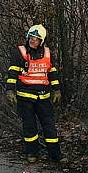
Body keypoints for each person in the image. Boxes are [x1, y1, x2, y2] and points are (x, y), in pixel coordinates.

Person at [4, 24, 64, 163]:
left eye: (36, 38)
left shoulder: (48, 53)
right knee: (30, 127)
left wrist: (56, 90)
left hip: (43, 97)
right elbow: (12, 72)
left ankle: (55, 155)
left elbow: (52, 73)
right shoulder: (20, 52)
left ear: (41, 41)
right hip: (25, 97)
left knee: (49, 126)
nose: (33, 40)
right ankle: (32, 153)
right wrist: (10, 90)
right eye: (31, 37)